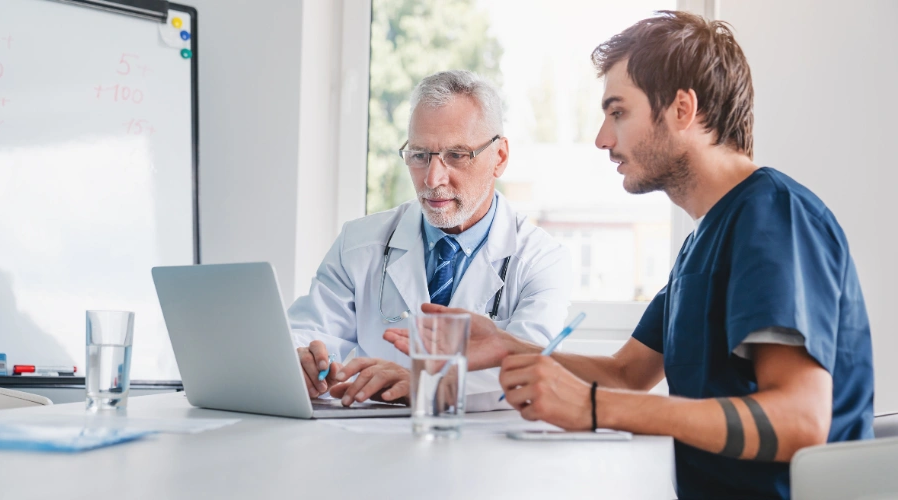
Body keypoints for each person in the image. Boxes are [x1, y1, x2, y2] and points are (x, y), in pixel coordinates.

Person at [385, 12, 873, 499]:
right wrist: (506, 345)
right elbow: (627, 374)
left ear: (682, 109)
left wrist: (593, 408)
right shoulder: (707, 240)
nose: (602, 137)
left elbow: (801, 420)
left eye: (618, 112)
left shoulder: (772, 218)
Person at [289, 70, 572, 411]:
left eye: (456, 155)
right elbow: (305, 332)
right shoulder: (360, 243)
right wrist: (303, 360)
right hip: (369, 446)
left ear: (499, 157)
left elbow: (532, 368)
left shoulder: (541, 259)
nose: (433, 178)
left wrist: (427, 386)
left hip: (480, 451)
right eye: (420, 155)